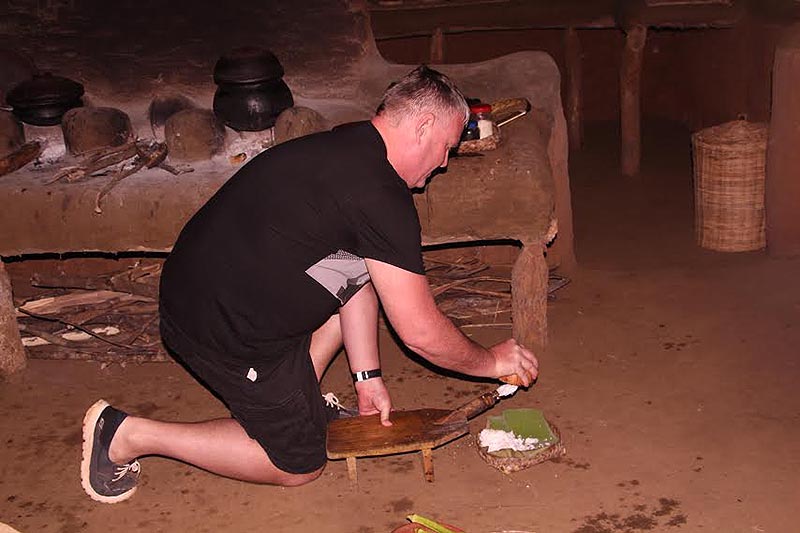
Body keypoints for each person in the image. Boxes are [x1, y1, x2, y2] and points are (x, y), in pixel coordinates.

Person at [80, 65, 539, 503]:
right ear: (422, 127)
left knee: (364, 275)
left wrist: (367, 378)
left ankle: (301, 398)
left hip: (198, 284)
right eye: (446, 147)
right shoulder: (381, 196)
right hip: (217, 329)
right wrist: (490, 362)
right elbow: (420, 333)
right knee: (298, 464)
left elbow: (355, 276)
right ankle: (127, 435)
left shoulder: (349, 144)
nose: (443, 162)